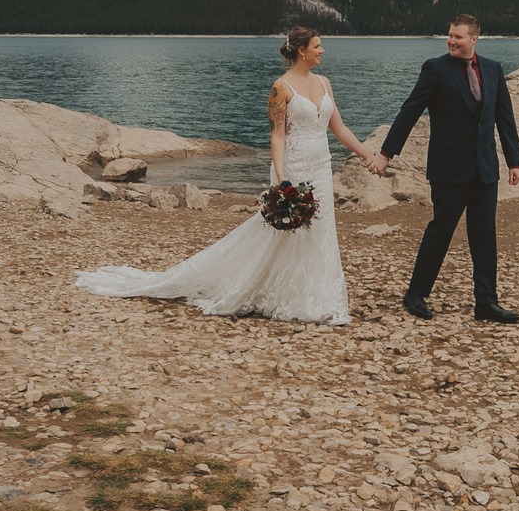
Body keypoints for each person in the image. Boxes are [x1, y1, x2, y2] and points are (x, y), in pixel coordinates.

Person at [75, 27, 382, 325]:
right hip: (295, 168)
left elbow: (338, 129)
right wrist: (281, 176)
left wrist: (367, 155)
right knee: (283, 234)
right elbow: (277, 136)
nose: (322, 50)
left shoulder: (325, 83)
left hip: (321, 167)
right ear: (301, 51)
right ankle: (276, 293)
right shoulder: (281, 87)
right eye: (317, 46)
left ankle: (320, 299)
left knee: (321, 231)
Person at [372, 13, 519, 323]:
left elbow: (504, 118)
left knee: (484, 234)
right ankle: (415, 294)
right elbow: (410, 110)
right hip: (449, 169)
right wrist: (387, 153)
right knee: (441, 230)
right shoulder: (436, 69)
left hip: (484, 169)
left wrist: (514, 160)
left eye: (458, 36)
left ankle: (486, 302)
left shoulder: (494, 70)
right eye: (450, 35)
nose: (451, 40)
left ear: (474, 39)